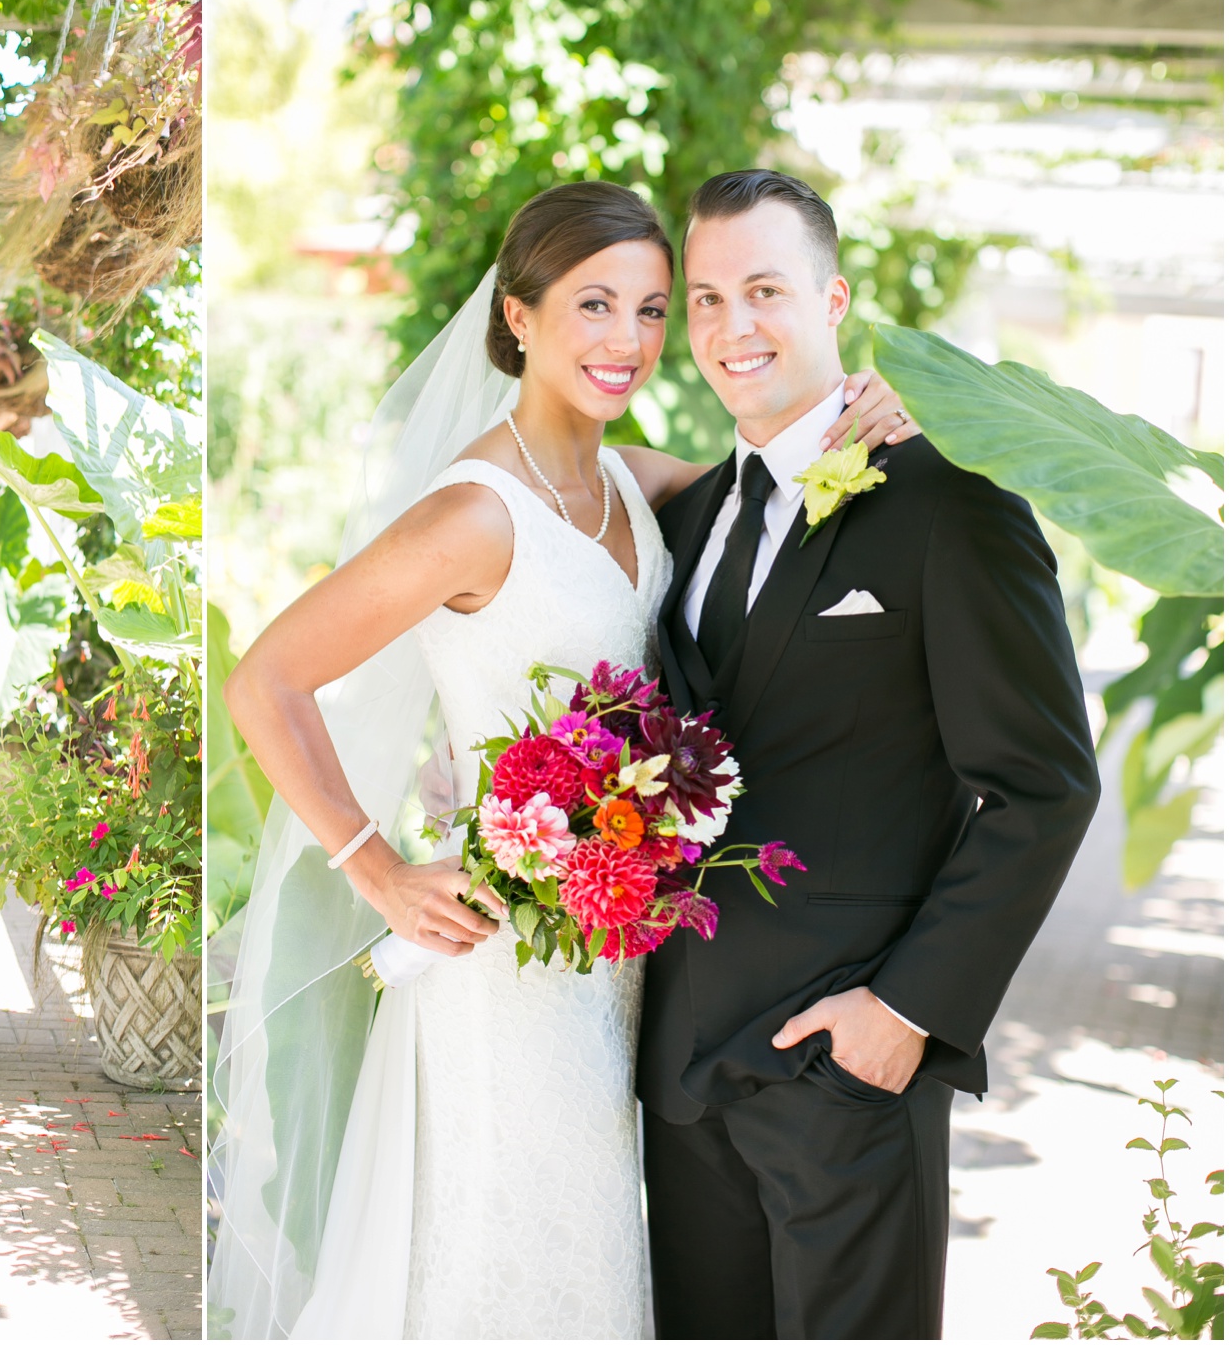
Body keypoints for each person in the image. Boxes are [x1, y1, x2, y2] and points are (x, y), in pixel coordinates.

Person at [208, 180, 915, 1339]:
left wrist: (873, 404)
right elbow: (264, 678)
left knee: (588, 1262)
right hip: (501, 970)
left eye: (648, 309)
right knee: (513, 1264)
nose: (625, 340)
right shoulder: (472, 515)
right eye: (592, 304)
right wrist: (377, 867)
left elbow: (779, 487)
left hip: (614, 967)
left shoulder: (634, 483)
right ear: (518, 315)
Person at [638, 170, 1099, 1340]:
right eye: (702, 299)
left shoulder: (949, 503)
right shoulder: (680, 520)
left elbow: (1043, 783)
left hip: (844, 1072)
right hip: (681, 1079)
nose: (730, 327)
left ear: (830, 297)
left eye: (762, 290)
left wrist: (903, 1010)